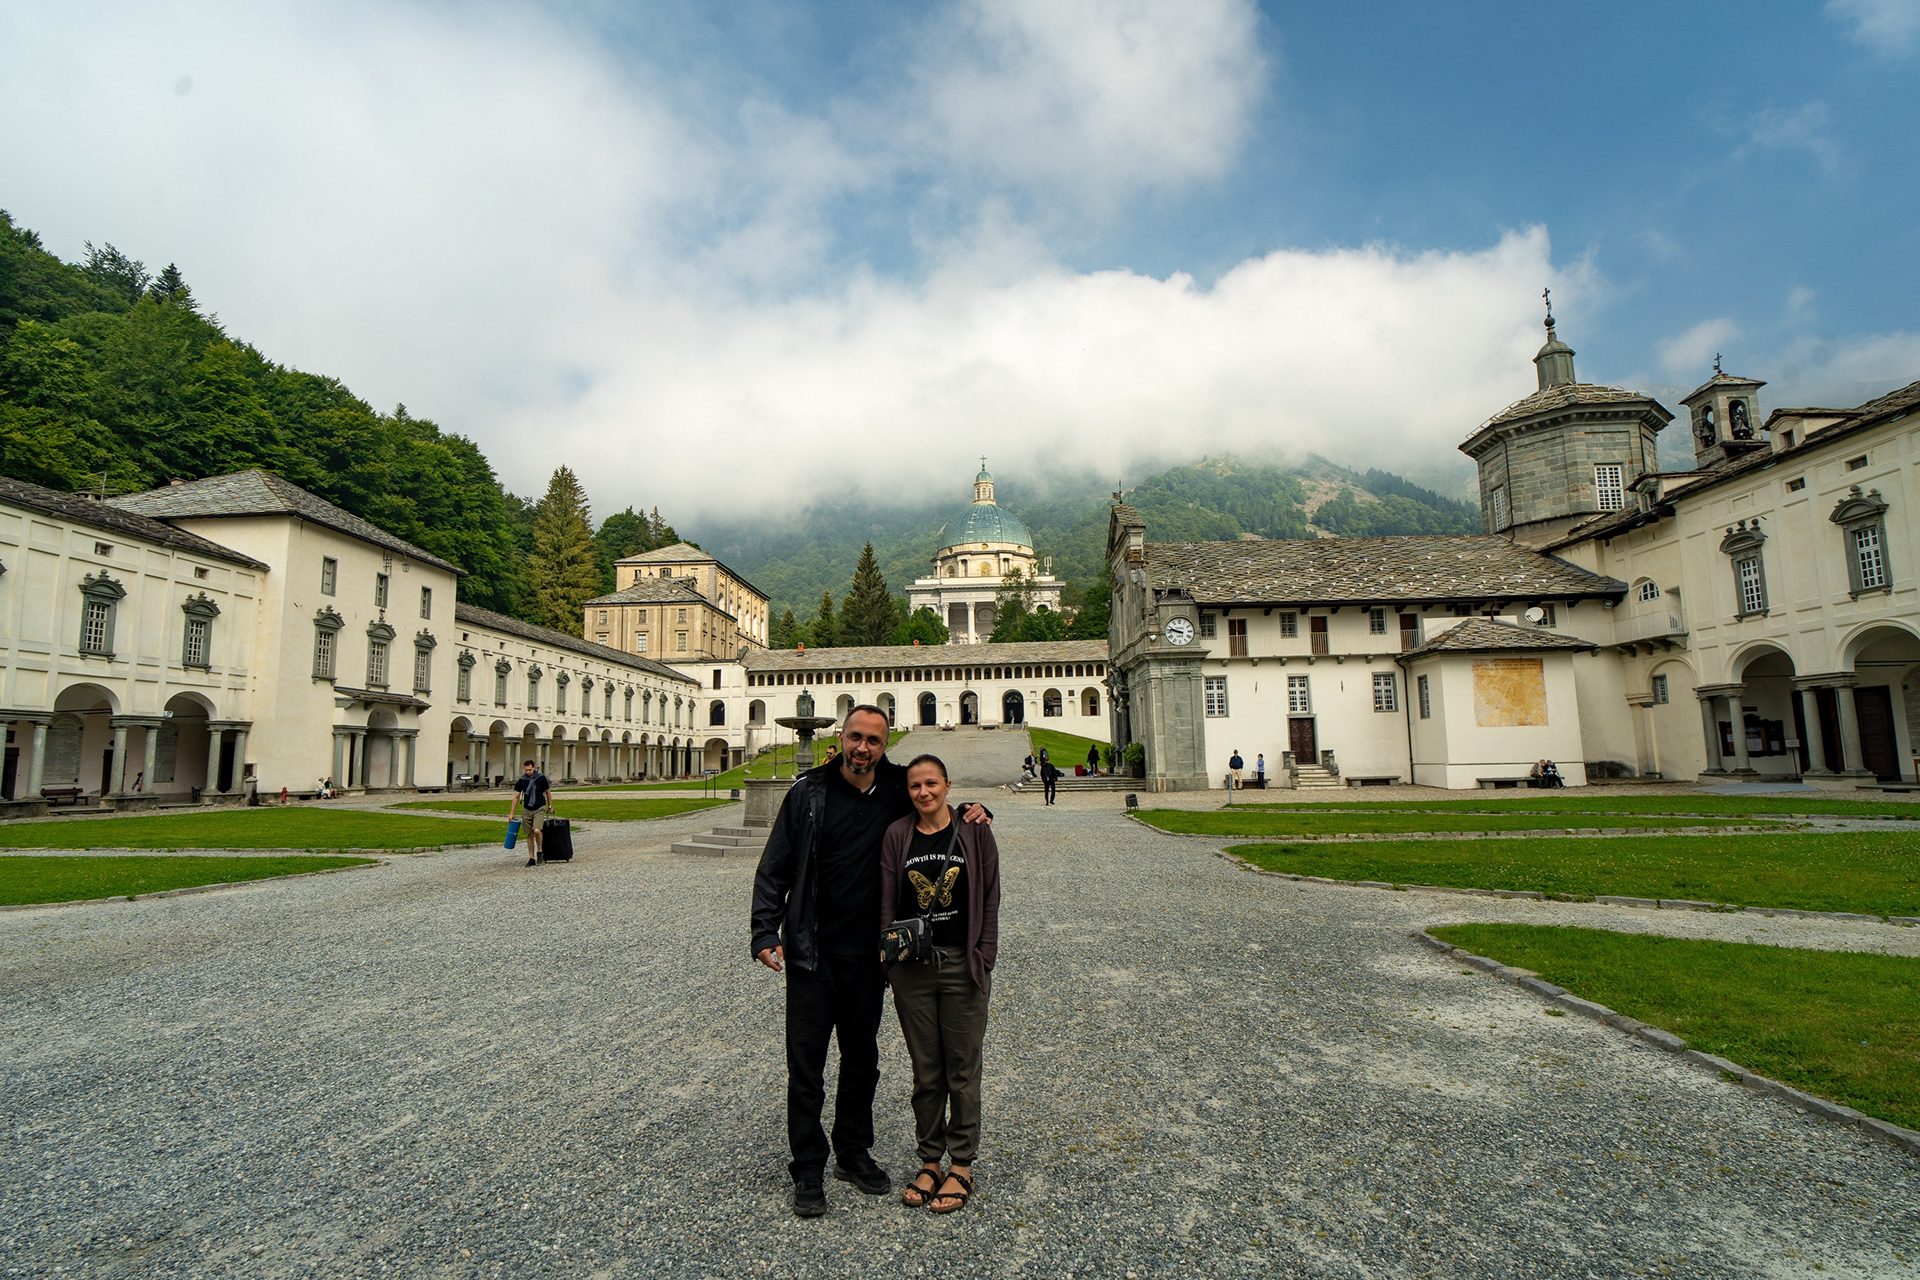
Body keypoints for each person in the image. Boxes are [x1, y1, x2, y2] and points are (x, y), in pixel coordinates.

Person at [750, 706, 993, 1218]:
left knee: (862, 1061)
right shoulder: (808, 792)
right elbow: (775, 865)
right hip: (813, 952)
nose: (863, 748)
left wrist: (976, 808)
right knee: (806, 1066)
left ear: (885, 744)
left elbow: (935, 801)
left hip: (869, 956)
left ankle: (853, 1151)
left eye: (874, 740)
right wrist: (764, 930)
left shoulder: (897, 787)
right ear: (840, 738)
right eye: (855, 737)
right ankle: (808, 1167)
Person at [882, 754, 999, 1215]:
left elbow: (990, 895)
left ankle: (962, 1164)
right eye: (915, 786)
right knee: (926, 1069)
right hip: (912, 968)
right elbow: (887, 901)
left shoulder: (974, 828)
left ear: (948, 785)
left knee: (962, 1068)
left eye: (931, 783)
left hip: (961, 964)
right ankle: (930, 1160)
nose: (923, 792)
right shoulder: (898, 834)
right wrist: (890, 964)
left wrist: (983, 956)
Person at [509, 758, 553, 865]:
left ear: (534, 768)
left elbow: (548, 792)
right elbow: (516, 796)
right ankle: (531, 857)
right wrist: (512, 813)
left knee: (537, 830)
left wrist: (550, 806)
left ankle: (540, 851)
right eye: (526, 770)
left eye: (529, 770)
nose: (528, 772)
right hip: (527, 808)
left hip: (539, 807)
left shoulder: (541, 778)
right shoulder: (522, 780)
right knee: (529, 834)